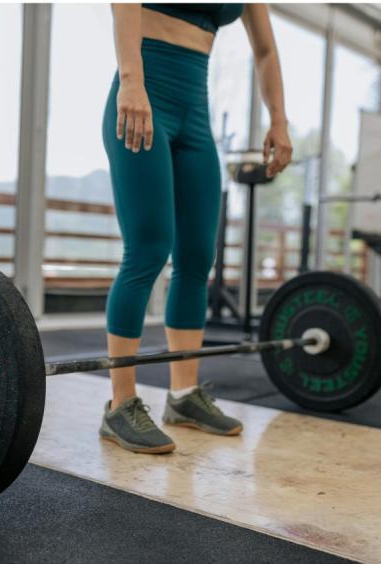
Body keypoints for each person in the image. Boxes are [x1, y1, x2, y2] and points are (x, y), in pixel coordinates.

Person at [99, 3, 293, 454]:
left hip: (195, 112)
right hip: (143, 94)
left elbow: (265, 49)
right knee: (148, 249)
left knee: (196, 257)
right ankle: (119, 404)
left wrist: (279, 119)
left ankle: (183, 396)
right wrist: (131, 79)